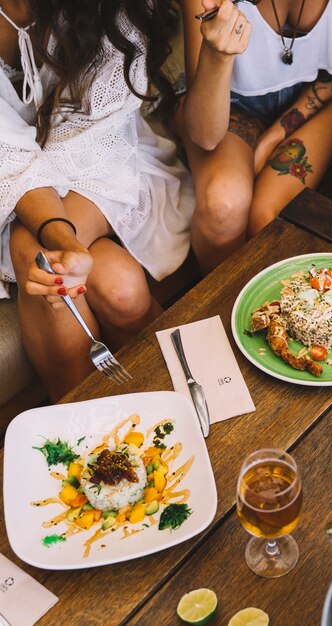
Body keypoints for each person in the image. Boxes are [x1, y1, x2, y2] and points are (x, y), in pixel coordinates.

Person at [1, 0, 194, 401]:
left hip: (103, 155)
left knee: (33, 247)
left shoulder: (110, 8)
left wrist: (63, 239)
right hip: (9, 184)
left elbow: (95, 133)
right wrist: (68, 242)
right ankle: (103, 436)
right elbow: (8, 159)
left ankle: (92, 436)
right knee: (118, 284)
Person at [179, 0, 332, 274]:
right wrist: (218, 55)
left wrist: (273, 137)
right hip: (228, 102)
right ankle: (223, 308)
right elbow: (205, 135)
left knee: (267, 219)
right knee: (223, 206)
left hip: (312, 99)